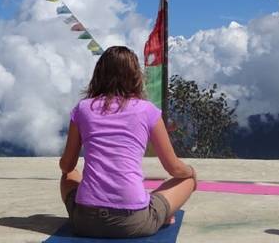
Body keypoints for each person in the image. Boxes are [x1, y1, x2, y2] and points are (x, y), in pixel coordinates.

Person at [59, 46, 197, 238]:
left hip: (85, 221)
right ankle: (162, 214)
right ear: (136, 76)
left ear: (98, 75)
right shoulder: (147, 110)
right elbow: (174, 168)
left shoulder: (82, 109)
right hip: (133, 222)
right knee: (187, 180)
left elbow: (67, 165)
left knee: (69, 174)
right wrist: (191, 172)